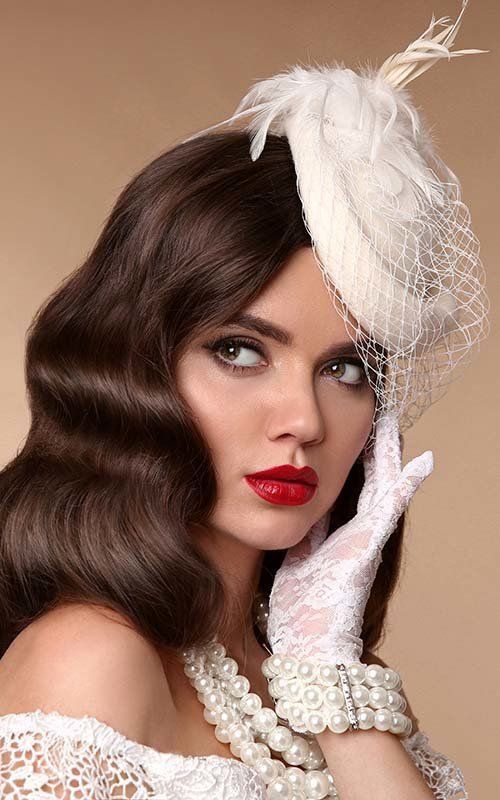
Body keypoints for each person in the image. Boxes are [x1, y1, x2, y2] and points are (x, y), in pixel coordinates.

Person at [0, 2, 489, 798]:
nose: (303, 420)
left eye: (345, 370)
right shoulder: (92, 660)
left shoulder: (303, 677)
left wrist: (328, 670)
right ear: (140, 366)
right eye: (239, 351)